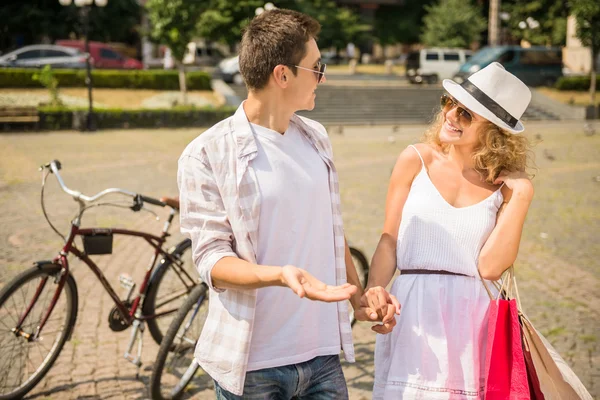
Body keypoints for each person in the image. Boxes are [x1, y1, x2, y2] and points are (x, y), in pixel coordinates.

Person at [177, 9, 398, 399]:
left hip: (323, 357)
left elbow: (330, 228)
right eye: (316, 67)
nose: (323, 77)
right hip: (254, 366)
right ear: (283, 75)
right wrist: (280, 275)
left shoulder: (315, 137)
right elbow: (212, 262)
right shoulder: (206, 154)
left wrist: (358, 296)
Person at [363, 62, 535, 399]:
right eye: (449, 103)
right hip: (413, 311)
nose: (451, 115)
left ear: (494, 133)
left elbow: (490, 268)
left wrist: (522, 197)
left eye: (466, 114)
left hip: (472, 322)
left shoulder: (504, 188)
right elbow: (389, 241)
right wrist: (374, 292)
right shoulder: (416, 159)